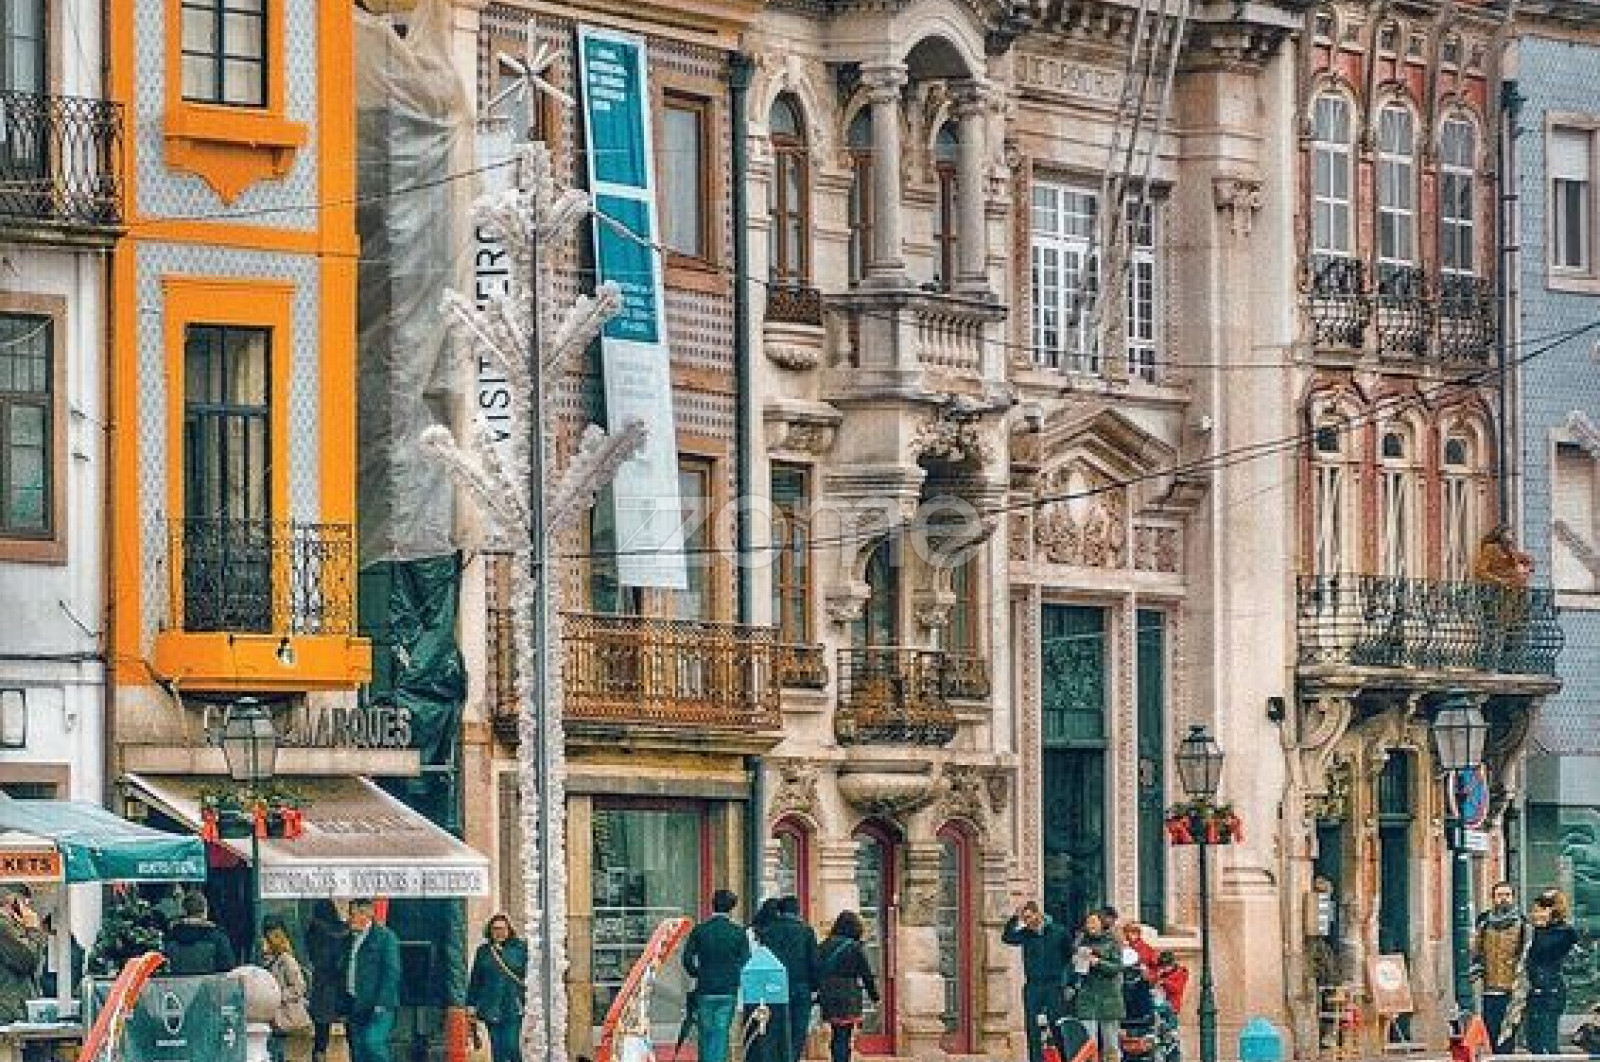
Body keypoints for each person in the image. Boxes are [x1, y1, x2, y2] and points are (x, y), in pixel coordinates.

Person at [1002, 901, 1074, 1062]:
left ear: (1038, 914)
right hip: (1033, 984)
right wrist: (1014, 918)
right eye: (1025, 919)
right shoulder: (1026, 934)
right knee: (1032, 1026)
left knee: (1057, 1023)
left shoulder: (1058, 932)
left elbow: (1069, 956)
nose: (1027, 922)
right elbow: (1007, 938)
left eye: (1029, 917)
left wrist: (1067, 982)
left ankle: (1065, 1057)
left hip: (1053, 984)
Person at [681, 889, 748, 1062]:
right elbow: (745, 960)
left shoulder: (700, 930)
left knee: (705, 1031)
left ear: (713, 905)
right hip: (728, 989)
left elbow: (687, 958)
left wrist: (697, 973)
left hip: (705, 987)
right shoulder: (738, 932)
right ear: (732, 908)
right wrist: (733, 973)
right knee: (721, 1032)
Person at [757, 896, 820, 1062]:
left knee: (775, 1030)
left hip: (774, 987)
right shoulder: (806, 931)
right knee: (798, 1031)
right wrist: (815, 988)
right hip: (801, 987)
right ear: (797, 911)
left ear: (780, 911)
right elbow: (814, 962)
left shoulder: (768, 931)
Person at [1471, 881, 1527, 1051]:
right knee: (1491, 1029)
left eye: (1507, 895)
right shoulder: (1483, 921)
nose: (1503, 899)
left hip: (1512, 987)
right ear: (1493, 898)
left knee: (1508, 1032)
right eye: (1499, 895)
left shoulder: (1522, 923)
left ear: (1513, 898)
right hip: (1488, 986)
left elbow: (1525, 953)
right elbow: (1476, 950)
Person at [344, 898, 402, 1062]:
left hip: (378, 1005)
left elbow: (392, 972)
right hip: (355, 1003)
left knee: (373, 1043)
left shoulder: (385, 937)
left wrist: (382, 1002)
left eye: (353, 914)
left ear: (365, 915)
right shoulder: (350, 939)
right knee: (358, 1049)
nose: (349, 918)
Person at [1522, 889, 1578, 1055]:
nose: (1536, 914)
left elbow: (1545, 952)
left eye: (1541, 909)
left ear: (1553, 910)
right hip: (1534, 989)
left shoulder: (1564, 932)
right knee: (1533, 1039)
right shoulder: (1535, 931)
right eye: (1536, 910)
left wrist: (1540, 930)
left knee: (1548, 1038)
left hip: (1551, 990)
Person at [816, 911, 877, 1062]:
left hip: (828, 992)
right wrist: (875, 996)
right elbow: (866, 974)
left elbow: (816, 969)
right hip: (848, 993)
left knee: (837, 1033)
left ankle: (837, 1057)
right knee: (844, 1035)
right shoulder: (854, 947)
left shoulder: (824, 945)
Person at [467, 915, 527, 1062]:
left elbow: (527, 975)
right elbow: (476, 979)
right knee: (497, 1050)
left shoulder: (520, 948)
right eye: (495, 929)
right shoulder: (483, 951)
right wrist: (471, 1005)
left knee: (511, 1046)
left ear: (509, 930)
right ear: (490, 931)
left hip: (513, 1006)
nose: (499, 932)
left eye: (502, 929)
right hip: (490, 1007)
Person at [1073, 911, 1127, 1062]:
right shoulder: (1081, 942)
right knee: (1088, 1044)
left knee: (1111, 1044)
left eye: (1094, 922)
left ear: (1102, 924)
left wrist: (1098, 962)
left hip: (1109, 998)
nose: (1090, 925)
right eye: (1088, 922)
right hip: (1087, 997)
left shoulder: (1113, 941)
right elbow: (1076, 971)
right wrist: (1077, 963)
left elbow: (1117, 967)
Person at [263, 916, 313, 1062]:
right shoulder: (270, 960)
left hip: (284, 1016)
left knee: (279, 1051)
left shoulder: (286, 961)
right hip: (274, 1017)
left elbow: (299, 987)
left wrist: (277, 995)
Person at [304, 900, 349, 1062]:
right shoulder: (344, 931)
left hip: (322, 986)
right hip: (342, 986)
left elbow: (313, 957)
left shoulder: (314, 931)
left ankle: (319, 1056)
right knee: (352, 1033)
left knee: (321, 1037)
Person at [162, 890, 236, 975]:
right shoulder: (217, 937)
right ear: (205, 911)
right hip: (208, 983)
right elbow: (228, 969)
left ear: (184, 911)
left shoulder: (170, 937)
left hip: (176, 983)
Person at [0, 884, 44, 1024]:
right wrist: (33, 929)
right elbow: (28, 960)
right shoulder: (3, 925)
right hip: (9, 1011)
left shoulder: (11, 925)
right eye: (25, 903)